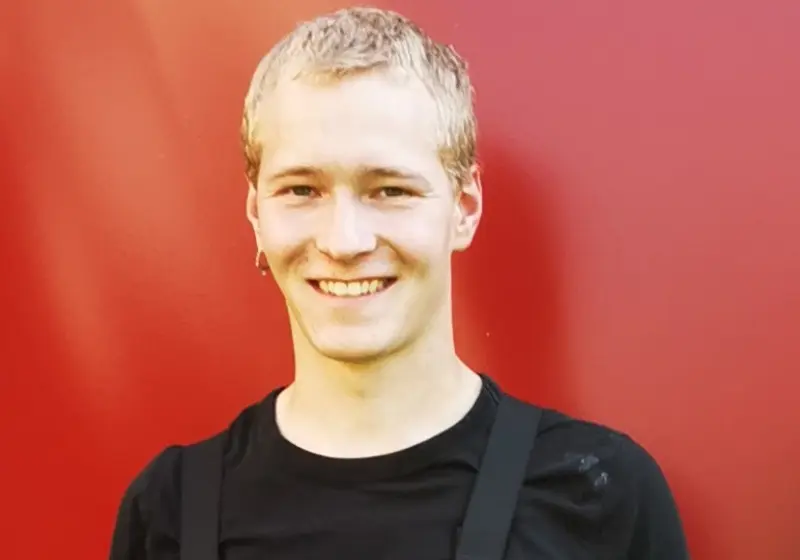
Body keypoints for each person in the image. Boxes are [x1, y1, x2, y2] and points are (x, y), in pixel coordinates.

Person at [109, 6, 689, 559]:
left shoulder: (599, 497)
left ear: (463, 208)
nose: (344, 241)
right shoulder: (168, 511)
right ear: (257, 214)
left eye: (390, 190)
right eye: (302, 190)